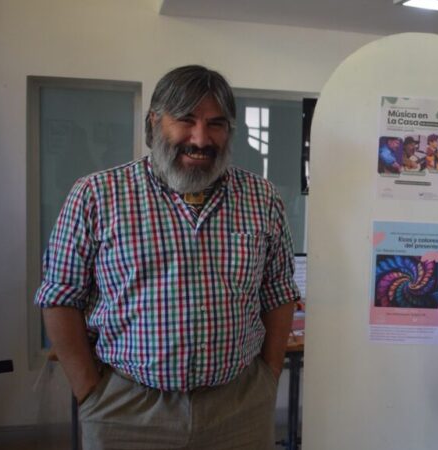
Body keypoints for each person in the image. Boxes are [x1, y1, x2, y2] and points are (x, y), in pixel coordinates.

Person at [35, 65, 300, 449]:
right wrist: (90, 393)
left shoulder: (262, 198)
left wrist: (268, 376)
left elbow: (278, 293)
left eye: (216, 123)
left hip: (240, 408)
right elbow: (59, 298)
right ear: (154, 122)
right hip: (127, 410)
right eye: (186, 120)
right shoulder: (96, 195)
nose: (200, 138)